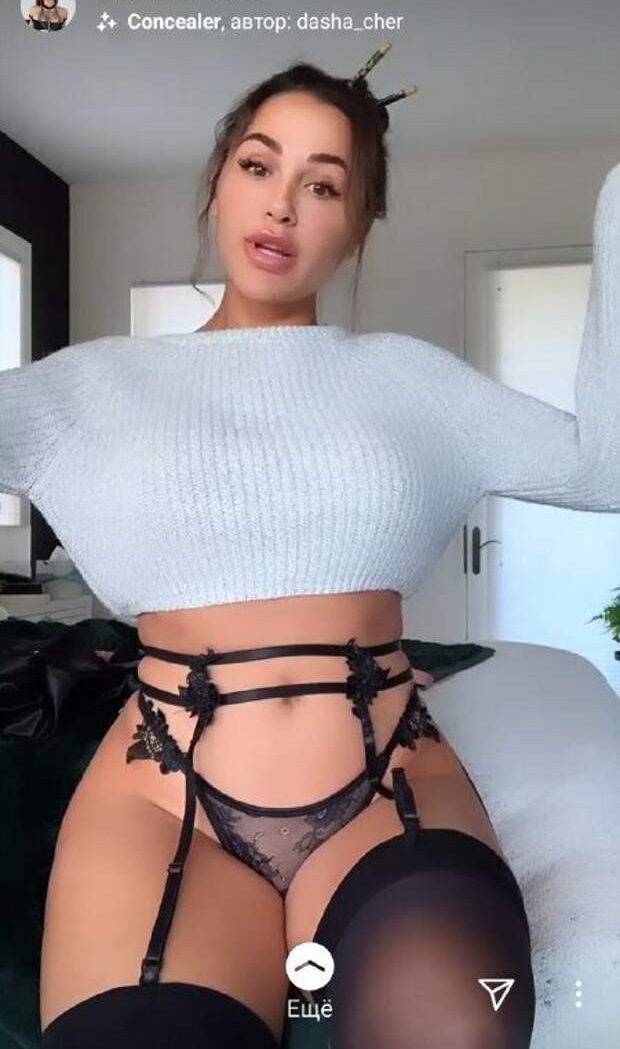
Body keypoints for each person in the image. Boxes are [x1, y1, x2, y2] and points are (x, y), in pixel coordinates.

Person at [1, 53, 618, 1048]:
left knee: (461, 1026)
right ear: (218, 182)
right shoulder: (87, 390)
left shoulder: (412, 382)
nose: (281, 204)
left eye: (322, 185)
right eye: (258, 166)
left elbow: (604, 467)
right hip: (163, 802)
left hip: (389, 782)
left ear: (358, 221)